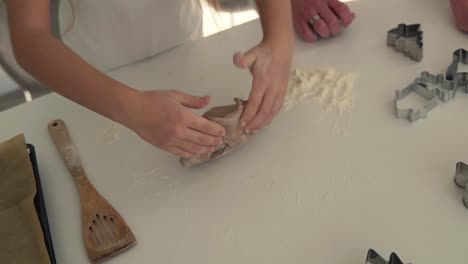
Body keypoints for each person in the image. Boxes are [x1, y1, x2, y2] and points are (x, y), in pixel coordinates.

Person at [4, 0, 467, 159]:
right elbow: (28, 37)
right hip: (89, 70)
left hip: (182, 42)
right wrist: (129, 108)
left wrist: (279, 39)